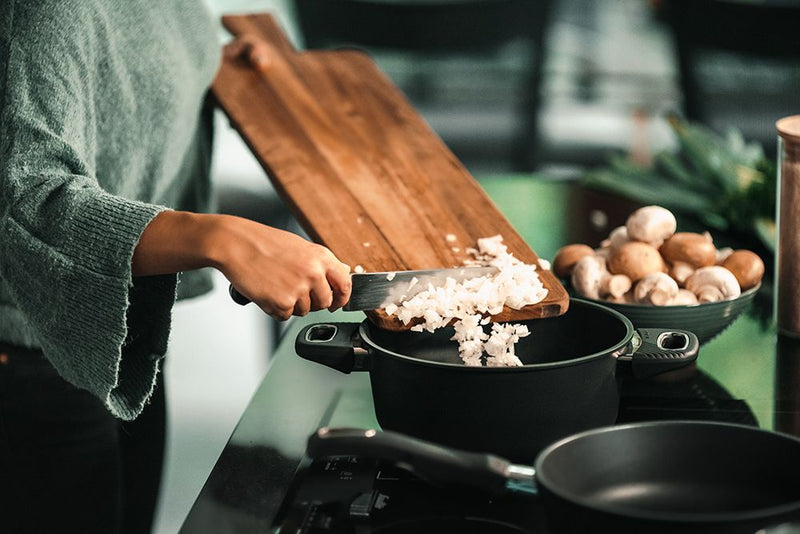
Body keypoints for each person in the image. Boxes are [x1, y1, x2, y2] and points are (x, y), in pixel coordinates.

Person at [0, 2, 352, 532]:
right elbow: (30, 193)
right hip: (38, 341)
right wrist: (221, 235)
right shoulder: (46, 10)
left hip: (121, 317)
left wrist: (208, 67)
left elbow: (102, 71)